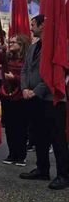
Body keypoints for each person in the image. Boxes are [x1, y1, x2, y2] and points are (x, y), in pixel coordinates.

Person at [19, 15, 69, 190]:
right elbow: (25, 69)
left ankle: (63, 174)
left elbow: (54, 74)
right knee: (39, 136)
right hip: (33, 99)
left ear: (43, 25)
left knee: (57, 138)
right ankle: (42, 169)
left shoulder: (57, 47)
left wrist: (36, 91)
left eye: (33, 25)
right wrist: (24, 88)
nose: (31, 28)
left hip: (52, 99)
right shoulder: (33, 47)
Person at [0, 34, 30, 166]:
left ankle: (21, 155)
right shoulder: (6, 57)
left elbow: (29, 79)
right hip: (7, 95)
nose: (10, 44)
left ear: (22, 45)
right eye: (9, 42)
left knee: (20, 127)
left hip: (20, 97)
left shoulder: (27, 60)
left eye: (14, 42)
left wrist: (15, 79)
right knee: (9, 127)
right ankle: (12, 153)